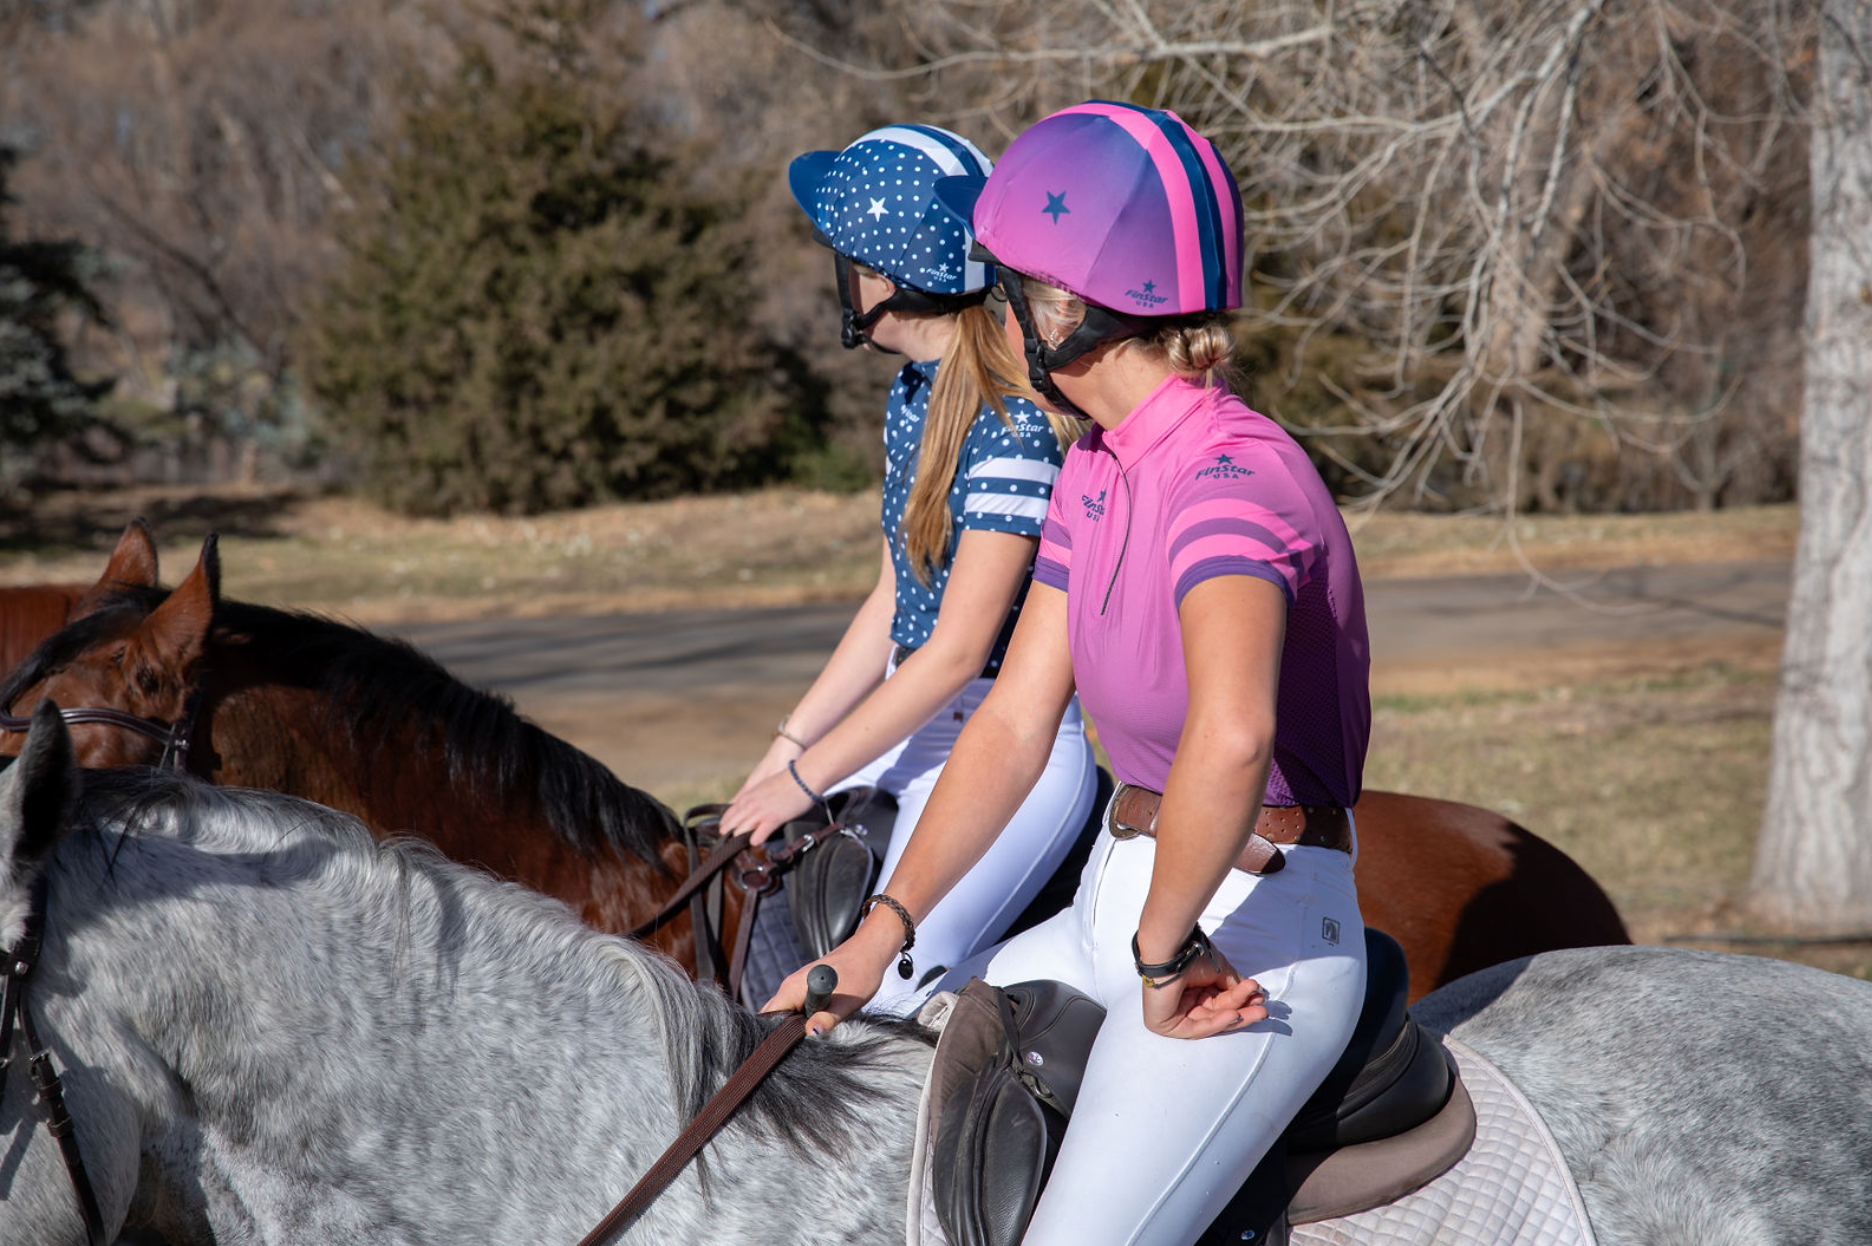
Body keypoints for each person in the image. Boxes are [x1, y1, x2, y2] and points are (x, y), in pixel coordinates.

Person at [766, 101, 1372, 1246]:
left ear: (1064, 310)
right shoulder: (1096, 466)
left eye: (1001, 293)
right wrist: (876, 936)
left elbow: (1232, 735)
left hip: (1248, 929)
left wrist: (1164, 947)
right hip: (1112, 899)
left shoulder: (1229, 476)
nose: (984, 322)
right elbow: (1010, 721)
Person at [721, 124, 1098, 1012]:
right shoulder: (914, 397)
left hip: (1005, 742)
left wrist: (804, 783)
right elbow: (894, 598)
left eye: (845, 256)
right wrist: (788, 749)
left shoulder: (1014, 429)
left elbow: (957, 652)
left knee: (876, 1002)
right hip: (908, 720)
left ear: (885, 280)